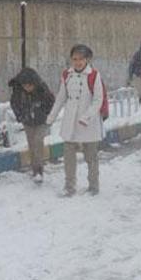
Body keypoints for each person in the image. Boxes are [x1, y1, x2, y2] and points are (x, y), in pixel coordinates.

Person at [47, 44, 105, 197]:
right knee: (69, 158)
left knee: (91, 157)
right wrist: (51, 117)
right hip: (70, 123)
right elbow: (61, 98)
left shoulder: (94, 75)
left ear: (87, 59)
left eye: (81, 59)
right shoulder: (67, 75)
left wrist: (87, 117)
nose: (78, 62)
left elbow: (98, 99)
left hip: (89, 123)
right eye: (74, 59)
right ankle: (69, 187)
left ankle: (93, 186)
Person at [9, 67, 55, 184]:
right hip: (28, 121)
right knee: (31, 145)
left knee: (38, 142)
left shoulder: (42, 89)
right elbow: (14, 104)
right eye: (25, 86)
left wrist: (45, 113)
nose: (27, 88)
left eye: (30, 86)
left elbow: (51, 102)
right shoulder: (18, 91)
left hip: (41, 122)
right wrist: (20, 116)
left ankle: (39, 170)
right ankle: (35, 169)